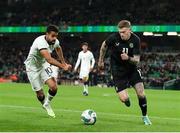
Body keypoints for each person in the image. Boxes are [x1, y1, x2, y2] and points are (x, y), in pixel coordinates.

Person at [98, 20, 152, 125]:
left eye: (123, 32)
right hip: (117, 71)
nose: (121, 34)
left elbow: (137, 60)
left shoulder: (136, 40)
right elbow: (104, 46)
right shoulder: (114, 37)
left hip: (131, 69)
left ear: (130, 30)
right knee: (124, 99)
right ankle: (126, 99)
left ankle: (145, 116)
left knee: (141, 93)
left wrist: (127, 58)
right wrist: (100, 61)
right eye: (120, 32)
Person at [24, 25, 71, 118]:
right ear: (47, 34)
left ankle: (47, 104)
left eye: (56, 36)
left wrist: (64, 62)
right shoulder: (40, 42)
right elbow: (49, 59)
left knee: (54, 87)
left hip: (43, 64)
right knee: (40, 94)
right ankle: (44, 103)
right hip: (32, 68)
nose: (55, 38)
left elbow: (58, 48)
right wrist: (63, 66)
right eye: (53, 36)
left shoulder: (55, 41)